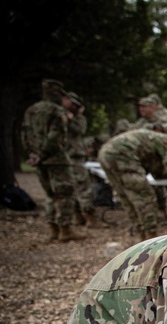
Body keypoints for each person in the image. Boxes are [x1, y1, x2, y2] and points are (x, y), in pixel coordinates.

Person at [97, 127, 167, 239]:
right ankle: (150, 237)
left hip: (106, 154)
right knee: (145, 197)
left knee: (127, 196)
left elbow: (158, 170)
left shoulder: (159, 140)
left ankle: (141, 234)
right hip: (123, 155)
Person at [20, 78, 86, 242]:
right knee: (65, 193)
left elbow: (25, 135)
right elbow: (55, 136)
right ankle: (65, 229)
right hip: (56, 159)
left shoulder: (31, 110)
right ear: (56, 93)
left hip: (39, 160)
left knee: (50, 194)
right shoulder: (56, 111)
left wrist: (33, 154)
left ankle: (53, 228)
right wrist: (42, 154)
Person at [62, 91, 98, 227]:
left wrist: (70, 119)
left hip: (75, 156)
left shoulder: (78, 118)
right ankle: (78, 216)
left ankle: (90, 216)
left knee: (83, 186)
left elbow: (80, 130)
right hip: (63, 156)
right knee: (69, 188)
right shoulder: (57, 114)